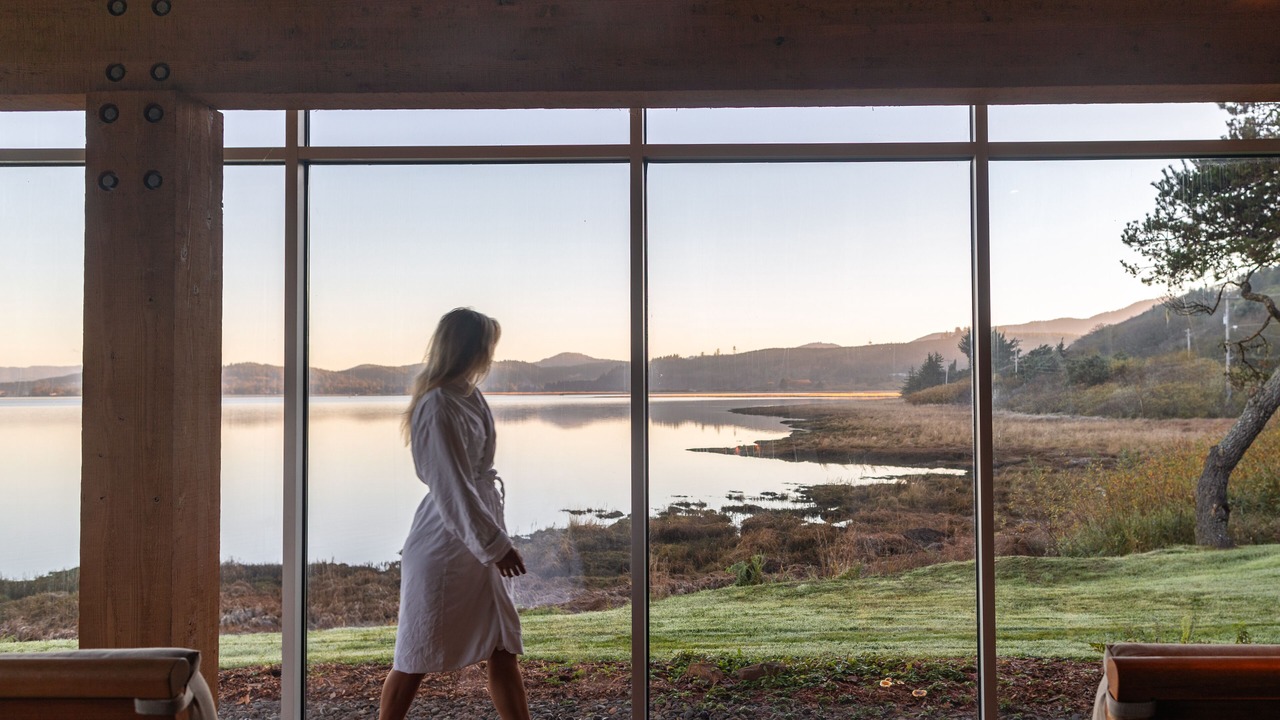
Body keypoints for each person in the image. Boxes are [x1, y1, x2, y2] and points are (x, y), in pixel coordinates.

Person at [379, 308, 531, 720]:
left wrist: (493, 542)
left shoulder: (468, 394)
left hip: (477, 538)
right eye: (486, 345)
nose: (490, 354)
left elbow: (472, 480)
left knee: (502, 646)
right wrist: (496, 546)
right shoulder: (438, 404)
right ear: (468, 347)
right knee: (415, 654)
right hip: (445, 546)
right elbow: (452, 488)